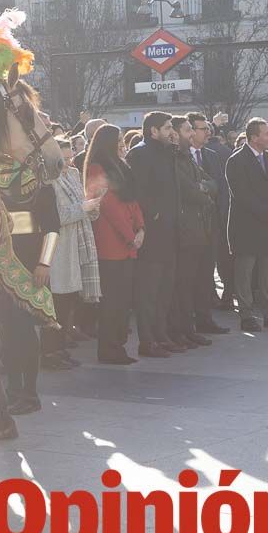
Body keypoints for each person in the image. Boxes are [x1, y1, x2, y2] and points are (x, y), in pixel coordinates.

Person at [0, 154, 61, 413]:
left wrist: (44, 263)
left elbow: (53, 227)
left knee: (24, 332)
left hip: (30, 266)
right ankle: (12, 389)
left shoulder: (40, 186)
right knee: (5, 330)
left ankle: (30, 394)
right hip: (0, 264)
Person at [225, 118, 268, 332]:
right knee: (245, 272)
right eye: (265, 133)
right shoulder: (236, 160)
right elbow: (242, 194)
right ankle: (246, 314)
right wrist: (266, 212)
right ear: (254, 137)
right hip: (247, 225)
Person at [85, 125, 145, 364]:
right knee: (112, 301)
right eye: (118, 139)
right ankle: (108, 349)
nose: (122, 143)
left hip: (128, 241)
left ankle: (118, 346)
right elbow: (108, 205)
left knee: (123, 301)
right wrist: (131, 235)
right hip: (111, 242)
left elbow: (132, 200)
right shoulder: (97, 167)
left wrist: (141, 227)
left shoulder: (121, 165)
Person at [127, 112, 183, 355]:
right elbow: (137, 193)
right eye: (168, 127)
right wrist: (155, 215)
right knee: (148, 291)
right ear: (153, 131)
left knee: (165, 289)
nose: (173, 132)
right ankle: (147, 341)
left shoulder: (168, 152)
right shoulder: (139, 154)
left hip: (170, 232)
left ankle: (161, 335)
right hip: (152, 234)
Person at [48, 138, 101, 357]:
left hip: (79, 242)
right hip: (61, 246)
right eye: (65, 159)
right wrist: (84, 207)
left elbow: (82, 204)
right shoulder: (49, 180)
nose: (70, 162)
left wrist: (93, 207)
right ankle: (52, 350)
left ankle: (61, 347)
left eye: (71, 157)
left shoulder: (73, 174)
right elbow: (57, 216)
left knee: (70, 300)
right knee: (58, 302)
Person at [169, 116, 215, 349]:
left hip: (199, 229)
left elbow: (212, 184)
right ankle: (181, 330)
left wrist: (203, 189)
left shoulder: (188, 158)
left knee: (196, 282)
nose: (190, 135)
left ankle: (191, 328)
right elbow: (190, 192)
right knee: (183, 285)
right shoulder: (175, 159)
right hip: (185, 231)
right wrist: (202, 191)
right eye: (188, 130)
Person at [188, 113, 229, 334]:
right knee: (189, 276)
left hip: (211, 223)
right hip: (189, 225)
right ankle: (188, 322)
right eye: (203, 129)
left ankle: (205, 319)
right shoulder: (180, 155)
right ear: (190, 131)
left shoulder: (212, 156)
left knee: (206, 275)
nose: (208, 132)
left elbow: (219, 187)